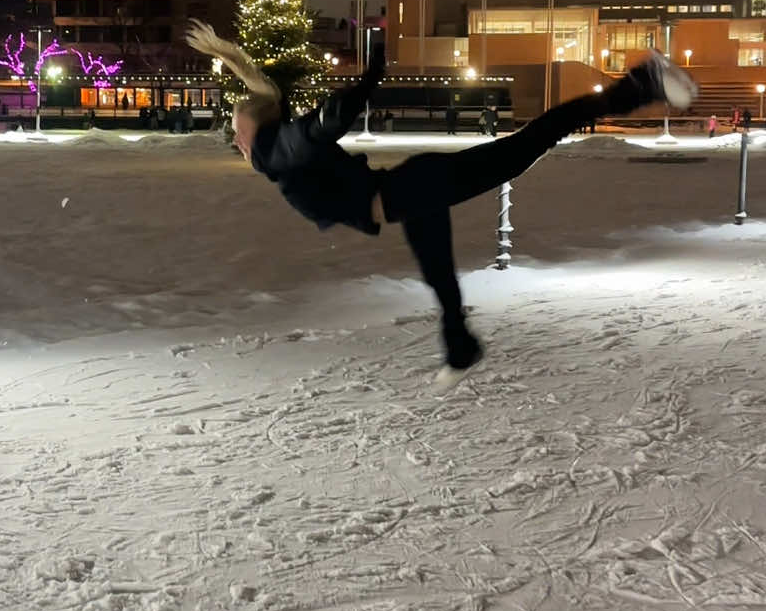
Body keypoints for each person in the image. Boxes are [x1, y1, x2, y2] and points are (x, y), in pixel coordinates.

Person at [186, 21, 698, 386]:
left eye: (236, 132)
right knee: (439, 272)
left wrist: (364, 84)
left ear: (256, 128)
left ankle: (641, 83)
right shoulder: (277, 145)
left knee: (529, 142)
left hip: (411, 189)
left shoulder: (281, 147)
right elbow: (287, 111)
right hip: (408, 193)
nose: (235, 142)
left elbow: (317, 127)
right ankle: (460, 348)